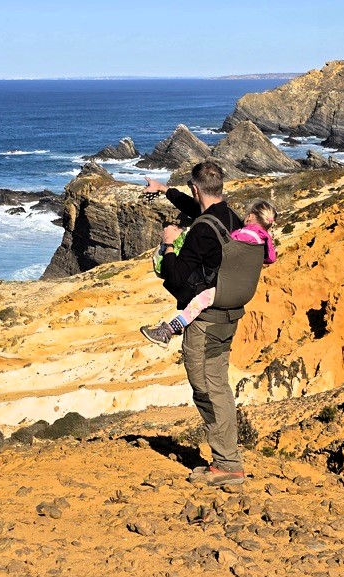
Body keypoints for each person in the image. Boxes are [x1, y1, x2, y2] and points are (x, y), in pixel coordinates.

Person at [143, 161, 250, 487]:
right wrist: (164, 191)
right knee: (219, 385)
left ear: (195, 187)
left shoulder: (201, 232)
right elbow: (198, 208)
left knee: (206, 389)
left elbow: (177, 281)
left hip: (204, 322)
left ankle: (227, 465)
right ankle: (228, 459)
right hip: (227, 314)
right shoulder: (229, 217)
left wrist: (168, 243)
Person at [140, 198, 276, 346]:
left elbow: (225, 245)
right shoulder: (264, 240)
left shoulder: (244, 235)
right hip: (241, 291)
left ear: (250, 216)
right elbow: (270, 258)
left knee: (199, 302)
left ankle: (169, 330)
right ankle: (176, 326)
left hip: (225, 290)